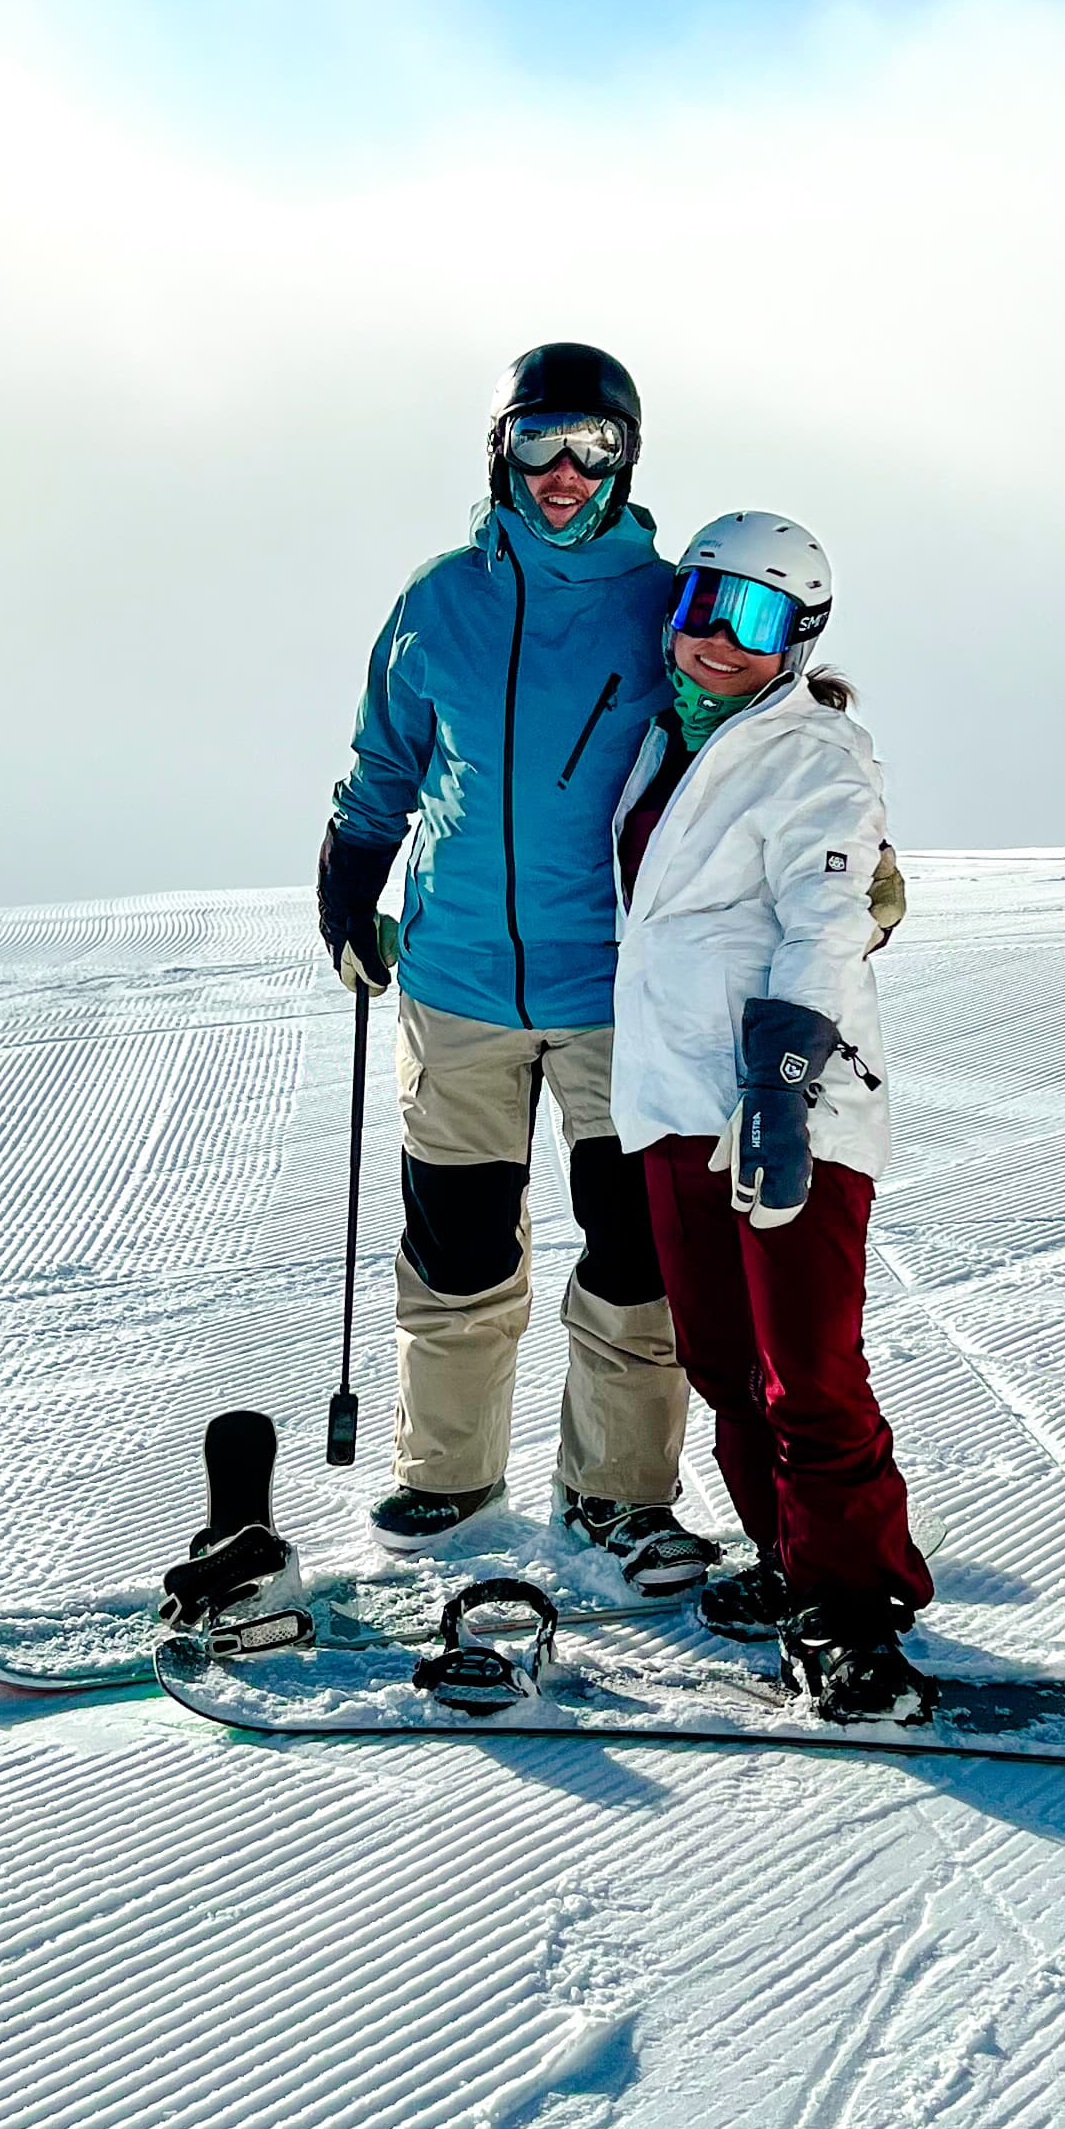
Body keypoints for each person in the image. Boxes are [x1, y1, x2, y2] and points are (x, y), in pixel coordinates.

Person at [314, 345, 709, 1591]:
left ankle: (616, 1497)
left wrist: (847, 858)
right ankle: (448, 1473)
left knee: (637, 1247)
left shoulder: (670, 605)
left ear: (627, 460)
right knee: (459, 1241)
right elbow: (385, 765)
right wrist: (346, 884)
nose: (563, 471)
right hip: (459, 977)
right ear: (501, 449)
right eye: (541, 439)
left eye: (592, 447)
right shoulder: (442, 603)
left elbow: (756, 736)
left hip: (616, 988)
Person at [604, 513, 936, 1722]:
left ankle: (856, 1612)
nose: (713, 639)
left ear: (797, 636)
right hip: (674, 1098)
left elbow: (828, 918)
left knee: (808, 1370)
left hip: (785, 1091)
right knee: (722, 1362)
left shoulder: (817, 754)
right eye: (699, 605)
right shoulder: (663, 738)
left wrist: (784, 1083)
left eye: (748, 619)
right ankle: (791, 1561)